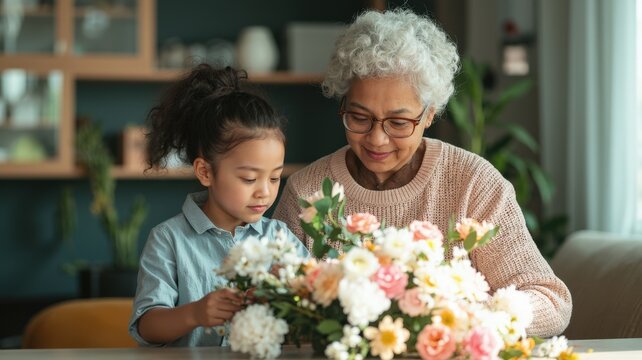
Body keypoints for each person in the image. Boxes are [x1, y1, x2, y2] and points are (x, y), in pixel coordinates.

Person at [273, 9, 571, 337]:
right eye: (359, 117)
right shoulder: (308, 191)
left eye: (399, 122)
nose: (376, 138)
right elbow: (276, 302)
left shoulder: (473, 183)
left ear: (429, 115)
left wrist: (455, 319)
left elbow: (550, 301)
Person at [129, 64, 309, 347]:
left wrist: (289, 291)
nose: (264, 191)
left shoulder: (280, 239)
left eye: (275, 177)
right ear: (205, 172)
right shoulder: (169, 239)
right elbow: (147, 325)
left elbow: (312, 306)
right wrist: (195, 313)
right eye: (249, 178)